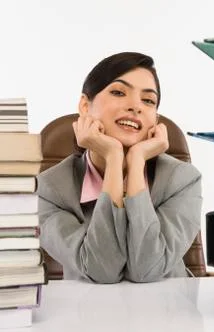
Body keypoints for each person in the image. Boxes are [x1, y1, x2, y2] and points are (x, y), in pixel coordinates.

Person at [37, 52, 202, 283]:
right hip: (86, 313)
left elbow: (147, 269)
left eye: (148, 101)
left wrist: (136, 162)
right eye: (118, 92)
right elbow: (101, 270)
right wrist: (114, 159)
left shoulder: (183, 180)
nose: (136, 107)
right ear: (85, 106)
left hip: (167, 311)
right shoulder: (50, 189)